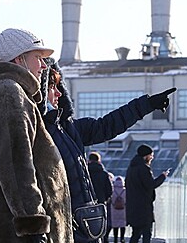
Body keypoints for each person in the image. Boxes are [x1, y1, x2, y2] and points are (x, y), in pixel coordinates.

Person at [39, 58, 176, 243]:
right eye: (51, 87)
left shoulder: (71, 129)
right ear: (39, 92)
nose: (58, 93)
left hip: (84, 229)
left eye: (58, 87)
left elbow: (107, 125)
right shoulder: (37, 132)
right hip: (59, 231)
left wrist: (147, 105)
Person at [0, 28, 73, 243]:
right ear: (20, 58)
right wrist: (34, 227)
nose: (44, 65)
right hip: (20, 236)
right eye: (38, 57)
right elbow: (16, 165)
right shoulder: (8, 93)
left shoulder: (6, 92)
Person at [125, 144, 170, 243]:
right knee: (146, 234)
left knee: (135, 234)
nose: (152, 158)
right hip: (143, 208)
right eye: (151, 155)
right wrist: (163, 176)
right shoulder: (144, 168)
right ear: (145, 156)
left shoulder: (131, 168)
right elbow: (151, 184)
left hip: (133, 207)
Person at [88, 152, 113, 243]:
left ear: (89, 160)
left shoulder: (85, 173)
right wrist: (105, 199)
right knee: (101, 224)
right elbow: (109, 190)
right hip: (101, 203)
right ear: (99, 161)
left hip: (86, 203)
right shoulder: (104, 174)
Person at [110, 176, 127, 243]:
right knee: (122, 224)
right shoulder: (125, 190)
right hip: (123, 210)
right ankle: (122, 238)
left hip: (114, 210)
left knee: (115, 224)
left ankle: (115, 239)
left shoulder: (113, 191)